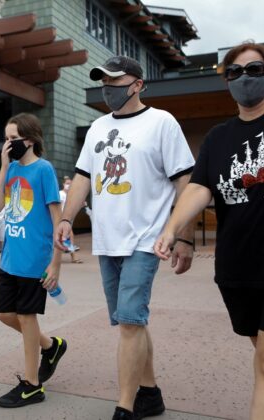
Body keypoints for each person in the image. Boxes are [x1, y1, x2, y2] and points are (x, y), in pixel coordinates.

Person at [154, 42, 264, 420]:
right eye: (235, 72)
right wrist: (173, 228)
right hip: (242, 272)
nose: (244, 78)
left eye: (254, 70)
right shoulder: (218, 137)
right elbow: (200, 188)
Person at [55, 56, 195, 420]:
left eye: (116, 80)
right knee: (131, 319)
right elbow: (83, 176)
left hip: (147, 239)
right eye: (103, 80)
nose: (108, 87)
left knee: (130, 322)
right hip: (106, 238)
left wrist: (184, 237)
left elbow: (186, 183)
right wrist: (67, 218)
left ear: (137, 84)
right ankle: (150, 393)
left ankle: (125, 406)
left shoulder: (162, 122)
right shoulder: (98, 127)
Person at [0, 113, 67, 408]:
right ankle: (51, 345)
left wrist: (55, 263)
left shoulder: (44, 170)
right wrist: (4, 166)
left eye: (13, 139)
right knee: (4, 314)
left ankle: (32, 385)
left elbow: (58, 220)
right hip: (10, 259)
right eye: (6, 139)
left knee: (26, 317)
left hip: (35, 260)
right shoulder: (10, 171)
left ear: (30, 140)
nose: (8, 144)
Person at [59, 176, 82, 263]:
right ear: (63, 184)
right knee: (70, 236)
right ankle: (73, 257)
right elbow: (59, 207)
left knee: (65, 238)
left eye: (70, 184)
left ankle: (72, 256)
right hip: (60, 220)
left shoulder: (70, 195)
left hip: (66, 220)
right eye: (67, 183)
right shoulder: (61, 194)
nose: (68, 185)